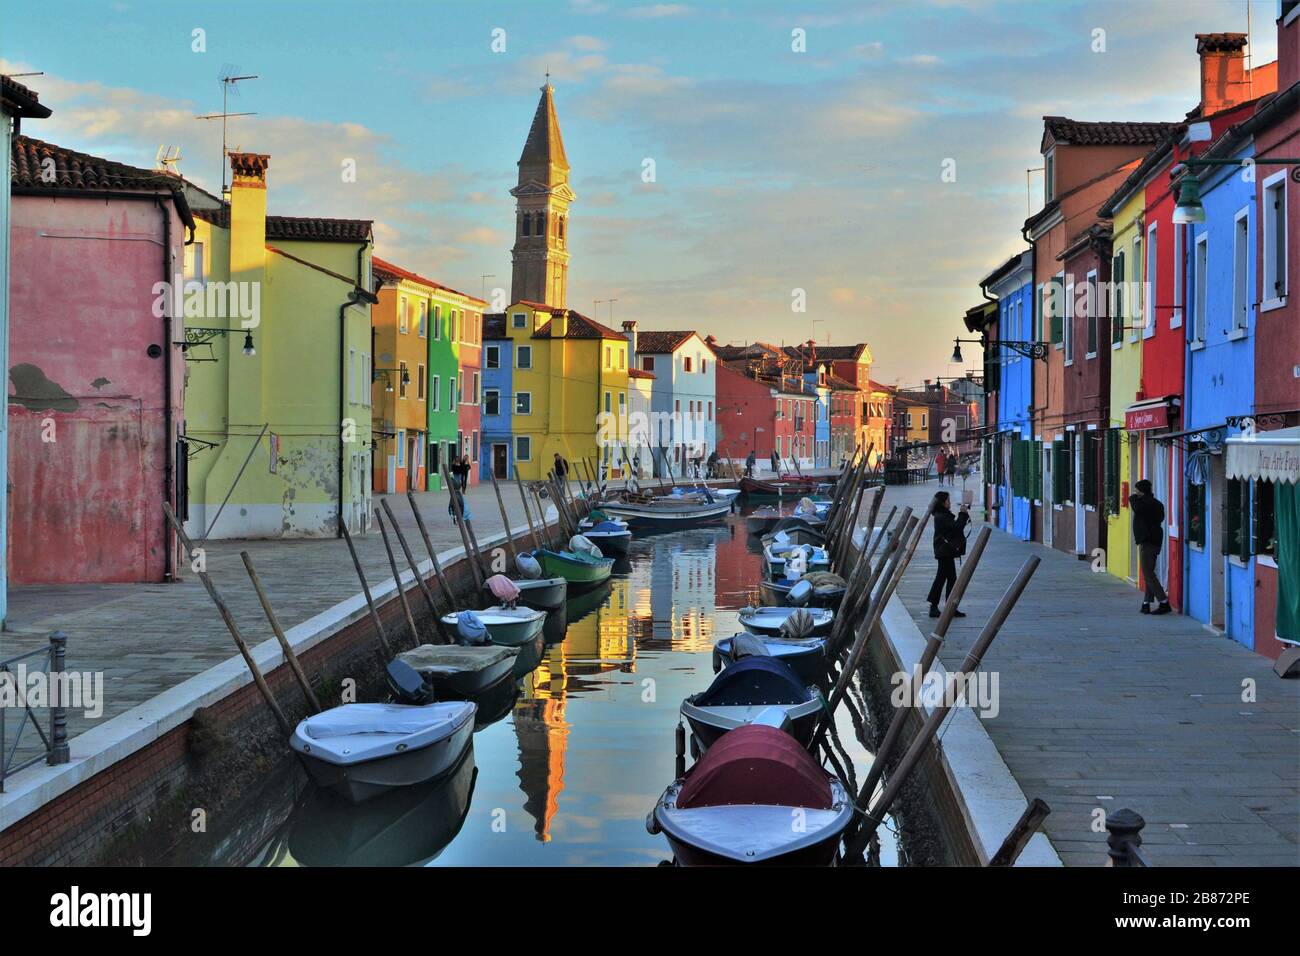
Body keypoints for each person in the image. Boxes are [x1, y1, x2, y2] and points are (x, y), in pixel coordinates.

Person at [1131, 479, 1171, 615]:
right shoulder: (1157, 504)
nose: (1135, 492)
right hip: (1155, 540)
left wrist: (1133, 498)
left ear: (1142, 491)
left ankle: (1164, 602)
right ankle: (1146, 603)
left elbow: (1136, 509)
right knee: (1149, 572)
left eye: (1137, 490)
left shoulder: (1143, 504)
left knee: (1147, 573)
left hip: (1148, 541)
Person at [927, 490, 969, 618]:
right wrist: (962, 514)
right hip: (944, 551)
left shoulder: (942, 514)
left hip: (945, 551)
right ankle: (936, 607)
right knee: (942, 579)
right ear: (943, 503)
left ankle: (949, 607)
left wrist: (962, 515)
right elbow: (956, 527)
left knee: (950, 579)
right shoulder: (941, 516)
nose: (949, 503)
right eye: (948, 500)